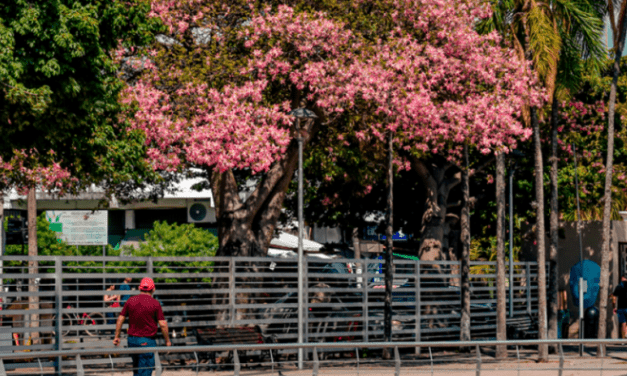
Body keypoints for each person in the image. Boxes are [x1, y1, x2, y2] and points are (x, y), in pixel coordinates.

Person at [113, 277, 171, 376]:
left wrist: (116, 336)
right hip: (147, 341)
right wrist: (167, 341)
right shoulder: (155, 303)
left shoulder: (130, 301)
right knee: (145, 371)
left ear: (139, 288)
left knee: (137, 370)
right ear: (153, 289)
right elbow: (162, 324)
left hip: (132, 341)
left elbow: (120, 319)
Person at [612, 275, 627, 339]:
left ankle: (623, 340)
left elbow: (614, 298)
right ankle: (626, 334)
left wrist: (614, 307)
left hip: (621, 308)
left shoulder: (618, 286)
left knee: (623, 323)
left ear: (621, 278)